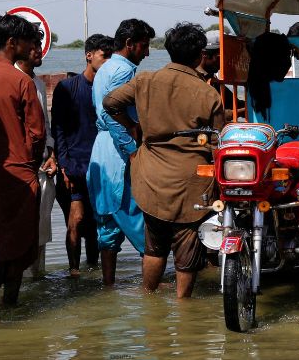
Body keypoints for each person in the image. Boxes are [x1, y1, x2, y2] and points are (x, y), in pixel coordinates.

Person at [102, 22, 225, 298]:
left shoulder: (145, 80)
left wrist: (133, 126)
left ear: (169, 51)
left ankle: (149, 300)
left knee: (154, 245)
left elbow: (110, 103)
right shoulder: (208, 94)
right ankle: (184, 308)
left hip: (151, 176)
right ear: (199, 56)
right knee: (188, 244)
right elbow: (218, 144)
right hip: (192, 179)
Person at [0, 14, 46, 304]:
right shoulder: (21, 81)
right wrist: (31, 162)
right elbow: (37, 134)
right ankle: (11, 305)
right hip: (18, 174)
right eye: (29, 40)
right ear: (12, 43)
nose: (32, 46)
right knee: (17, 247)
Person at [88, 19, 153, 286]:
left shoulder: (104, 68)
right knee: (137, 215)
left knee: (108, 224)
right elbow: (112, 114)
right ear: (130, 44)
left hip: (101, 150)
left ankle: (108, 285)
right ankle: (152, 285)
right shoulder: (124, 71)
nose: (147, 53)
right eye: (144, 46)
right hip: (118, 150)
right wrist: (132, 150)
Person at [52, 34, 112, 276]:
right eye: (103, 55)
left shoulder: (109, 90)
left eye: (110, 56)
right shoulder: (68, 88)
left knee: (97, 225)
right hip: (74, 165)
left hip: (101, 165)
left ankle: (94, 269)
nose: (107, 61)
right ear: (89, 55)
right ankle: (74, 272)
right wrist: (64, 165)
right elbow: (58, 129)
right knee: (75, 220)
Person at [15, 44, 58, 279]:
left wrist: (51, 154)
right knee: (20, 233)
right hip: (21, 170)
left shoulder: (39, 84)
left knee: (42, 231)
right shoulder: (13, 80)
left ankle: (37, 280)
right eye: (33, 48)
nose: (39, 52)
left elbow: (45, 126)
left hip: (43, 167)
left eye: (40, 48)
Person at [200, 30, 243, 118]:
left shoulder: (213, 80)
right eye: (221, 57)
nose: (224, 62)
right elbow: (212, 116)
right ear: (205, 55)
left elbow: (235, 104)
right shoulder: (198, 80)